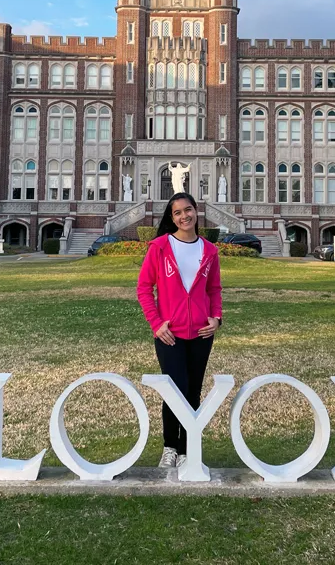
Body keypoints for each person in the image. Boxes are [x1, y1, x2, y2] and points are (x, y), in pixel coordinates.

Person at [136, 192, 223, 468]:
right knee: (174, 391)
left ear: (196, 211)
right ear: (171, 217)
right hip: (169, 333)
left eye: (188, 210)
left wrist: (216, 318)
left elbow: (214, 289)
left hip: (200, 333)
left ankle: (187, 450)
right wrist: (156, 323)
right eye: (177, 213)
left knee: (193, 392)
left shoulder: (209, 250)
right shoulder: (160, 247)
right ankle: (169, 447)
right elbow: (143, 288)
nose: (184, 216)